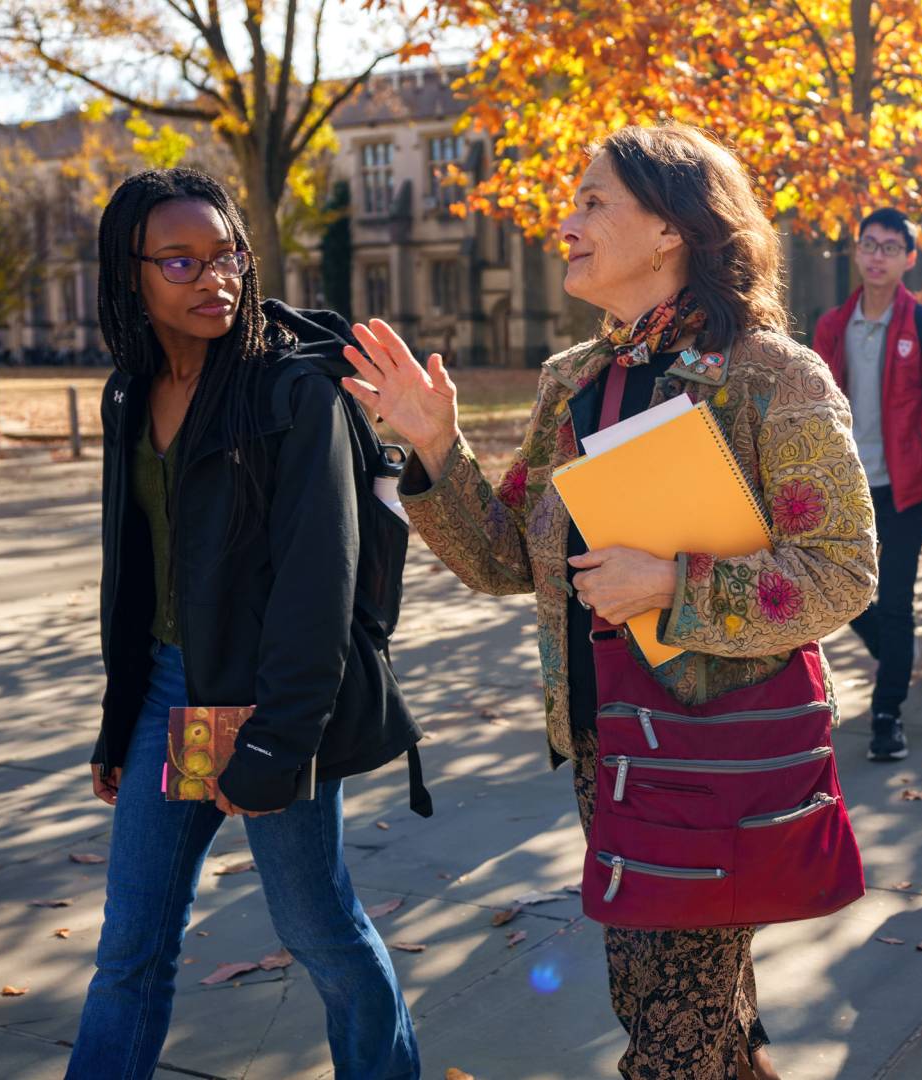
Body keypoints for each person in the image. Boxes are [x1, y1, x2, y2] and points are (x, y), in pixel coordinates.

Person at [352, 124, 877, 1078]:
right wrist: (436, 448)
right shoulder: (575, 382)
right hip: (607, 749)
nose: (567, 224)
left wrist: (676, 587)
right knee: (701, 1016)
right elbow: (510, 560)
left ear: (672, 227)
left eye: (593, 202)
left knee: (668, 1028)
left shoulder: (774, 377)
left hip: (718, 751)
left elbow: (843, 567)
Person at [70, 168, 424, 1080]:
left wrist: (276, 742)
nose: (213, 278)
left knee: (323, 937)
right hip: (165, 695)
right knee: (130, 948)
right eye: (180, 262)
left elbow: (322, 581)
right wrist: (121, 717)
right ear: (130, 272)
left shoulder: (290, 395)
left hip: (272, 704)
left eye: (227, 254)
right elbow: (133, 577)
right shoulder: (127, 394)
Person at [813, 207, 922, 762]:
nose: (877, 256)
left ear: (908, 258)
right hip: (846, 487)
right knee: (842, 592)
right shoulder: (833, 325)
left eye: (889, 247)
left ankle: (887, 713)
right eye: (868, 244)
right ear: (857, 252)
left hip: (906, 491)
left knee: (896, 600)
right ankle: (891, 651)